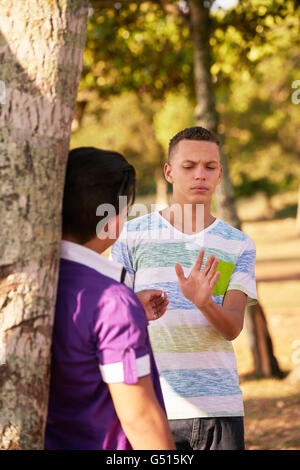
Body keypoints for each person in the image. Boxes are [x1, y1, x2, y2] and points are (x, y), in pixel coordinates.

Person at [111, 126, 258, 450]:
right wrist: (136, 305)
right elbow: (111, 320)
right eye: (189, 167)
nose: (200, 176)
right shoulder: (132, 235)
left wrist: (204, 302)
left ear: (220, 174)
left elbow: (232, 327)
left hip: (219, 408)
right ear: (169, 172)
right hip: (150, 406)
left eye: (209, 167)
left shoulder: (238, 244)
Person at [45, 147, 175, 450]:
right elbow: (139, 418)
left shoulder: (30, 284)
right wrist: (122, 311)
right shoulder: (113, 302)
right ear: (112, 218)